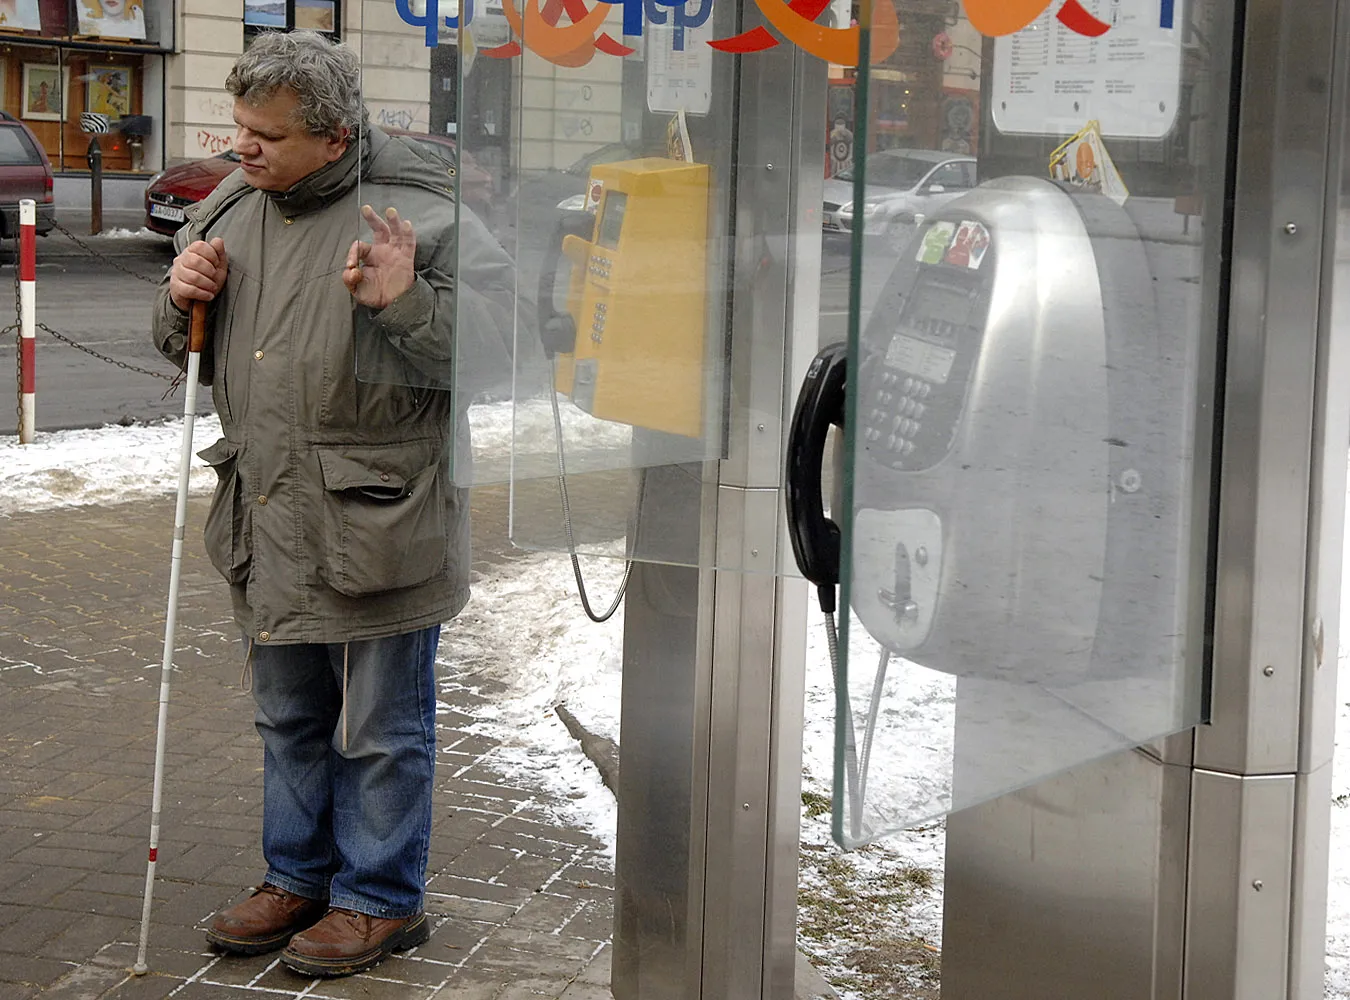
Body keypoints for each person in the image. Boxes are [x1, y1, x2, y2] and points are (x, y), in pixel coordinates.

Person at [152, 30, 513, 978]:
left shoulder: (426, 217)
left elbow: (509, 356)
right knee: (289, 717)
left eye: (266, 134)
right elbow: (183, 339)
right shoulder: (231, 203)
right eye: (239, 128)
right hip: (265, 511)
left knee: (381, 729)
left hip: (380, 519)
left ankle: (378, 899)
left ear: (337, 138)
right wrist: (179, 293)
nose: (244, 148)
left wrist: (405, 303)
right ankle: (296, 877)